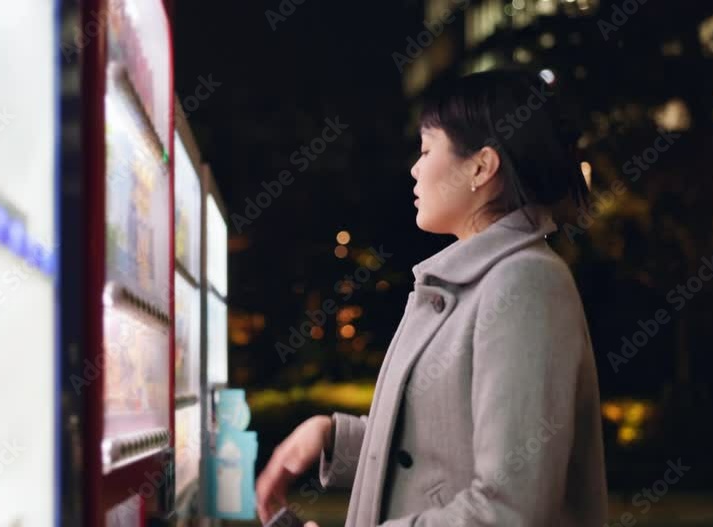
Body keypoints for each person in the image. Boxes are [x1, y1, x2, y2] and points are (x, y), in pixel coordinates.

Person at [256, 70, 608, 526]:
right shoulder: (474, 280)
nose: (415, 169)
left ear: (481, 166)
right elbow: (439, 448)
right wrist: (332, 438)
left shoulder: (525, 283)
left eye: (426, 150)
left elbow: (509, 509)